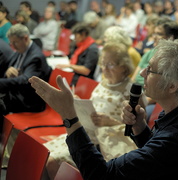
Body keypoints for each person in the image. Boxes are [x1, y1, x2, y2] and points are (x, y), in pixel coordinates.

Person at [29, 39, 178, 179]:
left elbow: (100, 175)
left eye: (150, 70)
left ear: (173, 86)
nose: (142, 73)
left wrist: (69, 116)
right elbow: (159, 157)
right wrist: (140, 127)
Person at [42, 42, 146, 180]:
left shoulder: (131, 90)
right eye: (103, 63)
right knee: (43, 155)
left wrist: (110, 122)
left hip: (108, 141)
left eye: (111, 64)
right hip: (88, 132)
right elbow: (93, 107)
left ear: (124, 66)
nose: (104, 68)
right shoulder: (103, 83)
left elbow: (138, 129)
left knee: (52, 162)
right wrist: (79, 103)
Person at [1, 24, 52, 114]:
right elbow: (10, 68)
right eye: (11, 43)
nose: (13, 46)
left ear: (25, 38)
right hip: (17, 93)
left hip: (28, 100)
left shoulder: (36, 57)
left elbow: (26, 80)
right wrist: (8, 70)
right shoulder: (20, 50)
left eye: (15, 42)